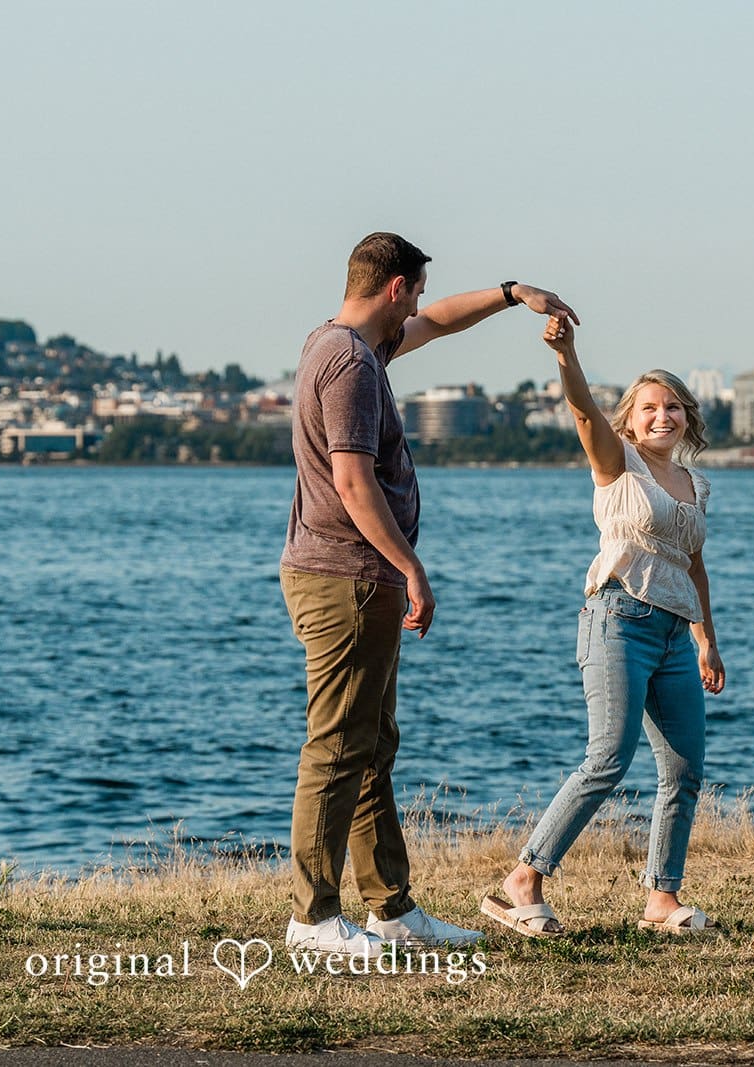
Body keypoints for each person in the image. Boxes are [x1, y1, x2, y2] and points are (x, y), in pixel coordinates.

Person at [281, 232, 577, 956]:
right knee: (337, 745)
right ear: (393, 287)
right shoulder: (350, 362)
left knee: (372, 744)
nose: (417, 306)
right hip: (347, 575)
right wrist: (410, 566)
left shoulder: (343, 343)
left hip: (352, 573)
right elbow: (352, 481)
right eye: (412, 292)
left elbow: (442, 319)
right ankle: (312, 918)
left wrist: (513, 295)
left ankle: (390, 908)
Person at [481, 316, 725, 938]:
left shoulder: (696, 484)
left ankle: (661, 900)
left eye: (673, 406)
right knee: (607, 757)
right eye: (649, 407)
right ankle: (522, 882)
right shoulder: (618, 465)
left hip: (674, 634)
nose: (662, 416)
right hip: (617, 619)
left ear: (688, 418)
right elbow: (586, 413)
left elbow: (692, 564)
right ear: (631, 419)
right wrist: (567, 355)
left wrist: (706, 641)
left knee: (684, 768)